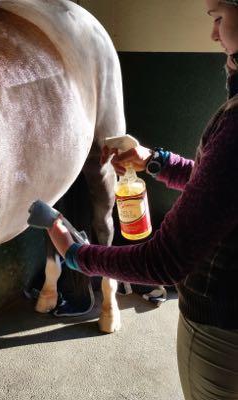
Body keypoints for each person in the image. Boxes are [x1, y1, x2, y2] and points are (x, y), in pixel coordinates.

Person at [47, 1, 238, 399]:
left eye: (219, 18)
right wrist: (154, 161)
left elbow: (164, 260)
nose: (213, 34)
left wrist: (77, 255)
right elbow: (219, 191)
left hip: (223, 332)